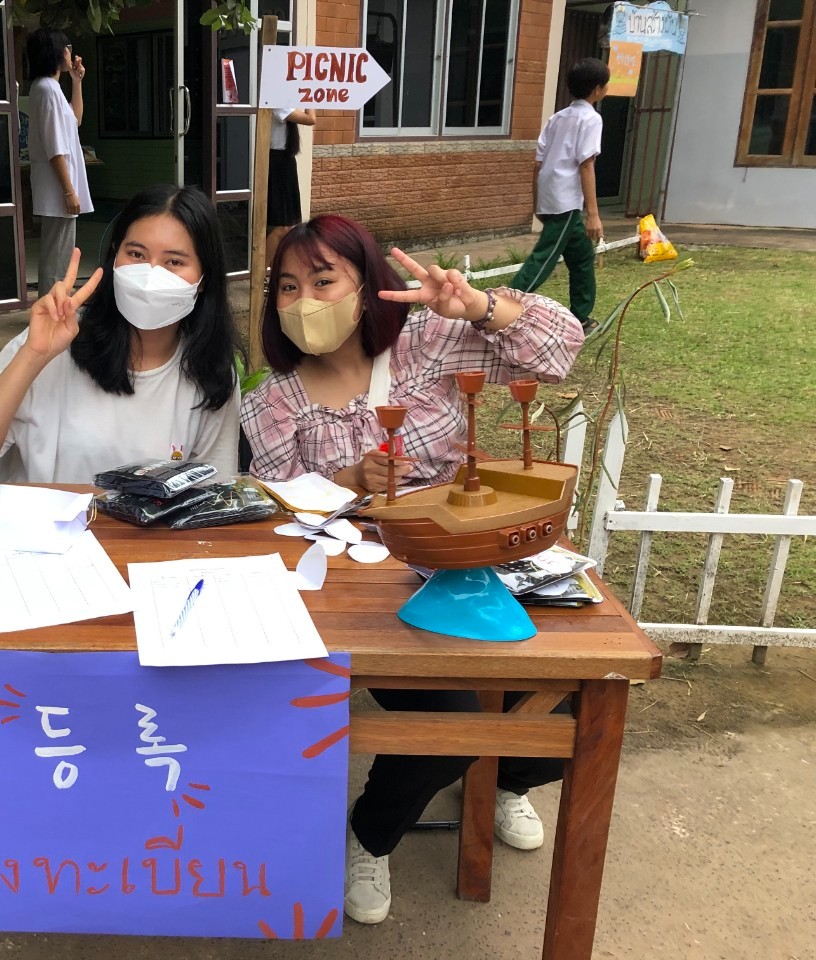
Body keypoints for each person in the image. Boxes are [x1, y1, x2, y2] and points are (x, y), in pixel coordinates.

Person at [241, 214, 584, 925]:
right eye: (287, 287)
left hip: (475, 553)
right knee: (449, 724)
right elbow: (276, 513)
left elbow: (560, 350)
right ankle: (371, 835)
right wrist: (348, 478)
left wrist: (480, 306)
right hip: (367, 590)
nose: (304, 300)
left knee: (568, 697)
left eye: (323, 280)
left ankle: (508, 779)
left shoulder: (428, 343)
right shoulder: (272, 402)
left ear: (367, 285)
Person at [0, 184, 240, 484]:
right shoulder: (56, 341)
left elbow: (212, 494)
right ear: (115, 256)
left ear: (204, 278)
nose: (150, 274)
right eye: (136, 254)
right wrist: (33, 355)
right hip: (42, 516)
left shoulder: (209, 373)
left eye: (174, 262)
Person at [510, 57, 611, 336]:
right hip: (566, 201)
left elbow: (538, 164)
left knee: (582, 257)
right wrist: (593, 215)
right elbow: (586, 165)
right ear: (597, 89)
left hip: (551, 195)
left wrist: (537, 203)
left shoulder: (557, 118)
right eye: (605, 85)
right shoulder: (591, 118)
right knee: (543, 259)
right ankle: (497, 307)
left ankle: (581, 318)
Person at [26, 28, 93, 297]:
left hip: (59, 185)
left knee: (60, 254)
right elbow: (54, 147)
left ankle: (55, 307)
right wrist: (68, 191)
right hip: (57, 187)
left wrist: (77, 82)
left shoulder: (50, 88)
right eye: (67, 48)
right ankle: (51, 310)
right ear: (55, 51)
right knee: (56, 258)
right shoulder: (46, 89)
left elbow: (76, 120)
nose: (70, 53)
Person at [265, 107, 316, 266]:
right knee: (281, 226)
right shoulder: (278, 100)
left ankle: (272, 271)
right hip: (276, 161)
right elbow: (310, 119)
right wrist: (311, 99)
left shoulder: (287, 101)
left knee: (289, 226)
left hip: (285, 160)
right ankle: (260, 272)